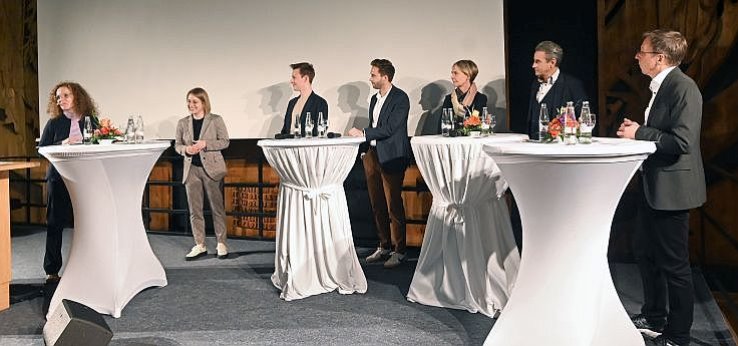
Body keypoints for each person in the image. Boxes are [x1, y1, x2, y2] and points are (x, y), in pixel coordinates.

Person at [617, 29, 705, 346]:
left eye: (642, 51)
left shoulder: (683, 88)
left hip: (672, 190)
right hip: (653, 186)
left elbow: (681, 141)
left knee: (675, 265)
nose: (637, 56)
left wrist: (640, 133)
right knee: (645, 253)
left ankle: (678, 335)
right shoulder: (661, 87)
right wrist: (640, 133)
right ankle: (654, 316)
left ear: (659, 58)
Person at [349, 59, 410, 269]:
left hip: (392, 155)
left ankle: (399, 250)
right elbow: (375, 125)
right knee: (377, 204)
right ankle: (384, 246)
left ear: (385, 77)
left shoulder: (400, 98)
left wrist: (363, 133)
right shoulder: (375, 99)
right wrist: (365, 147)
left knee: (393, 203)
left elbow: (390, 128)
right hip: (373, 154)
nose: (370, 78)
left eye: (373, 74)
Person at [38, 81, 99, 283]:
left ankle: (90, 266)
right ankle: (52, 271)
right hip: (58, 179)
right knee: (55, 224)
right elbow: (41, 150)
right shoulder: (54, 124)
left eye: (65, 95)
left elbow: (99, 145)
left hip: (85, 180)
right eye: (58, 97)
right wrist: (62, 143)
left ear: (77, 97)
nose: (61, 100)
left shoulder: (91, 121)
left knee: (88, 223)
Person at [175, 87, 231, 260]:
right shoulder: (183, 123)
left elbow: (225, 142)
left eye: (194, 102)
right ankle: (200, 244)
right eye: (189, 101)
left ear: (203, 103)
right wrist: (187, 149)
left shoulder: (215, 120)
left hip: (211, 170)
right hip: (191, 170)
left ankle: (221, 243)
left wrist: (205, 144)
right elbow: (177, 145)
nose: (190, 105)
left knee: (217, 208)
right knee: (195, 210)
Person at [526, 40, 587, 140]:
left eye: (538, 61)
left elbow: (583, 120)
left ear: (552, 62)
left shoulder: (572, 85)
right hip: (533, 147)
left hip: (559, 149)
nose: (533, 65)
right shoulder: (535, 85)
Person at [280, 62, 329, 137]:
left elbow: (319, 132)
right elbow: (285, 131)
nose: (291, 81)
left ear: (305, 78)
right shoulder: (292, 103)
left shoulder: (320, 103)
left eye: (294, 77)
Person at [439, 59, 488, 132]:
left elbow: (475, 122)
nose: (452, 76)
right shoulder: (449, 99)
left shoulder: (480, 98)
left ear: (468, 76)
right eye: (452, 73)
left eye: (456, 73)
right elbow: (443, 126)